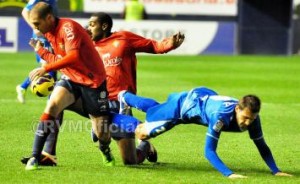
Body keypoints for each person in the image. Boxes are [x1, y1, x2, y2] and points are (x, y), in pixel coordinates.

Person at [118, 87, 293, 178]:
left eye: (252, 119)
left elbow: (262, 146)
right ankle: (123, 99)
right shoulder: (220, 117)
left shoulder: (254, 119)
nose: (248, 123)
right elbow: (209, 151)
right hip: (184, 106)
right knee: (143, 133)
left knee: (157, 110)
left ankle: (126, 98)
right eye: (245, 117)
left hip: (204, 98)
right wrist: (229, 174)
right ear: (237, 109)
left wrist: (275, 170)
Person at [24, 2, 114, 170]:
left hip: (93, 82)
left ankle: (105, 148)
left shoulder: (68, 27)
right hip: (71, 78)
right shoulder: (48, 32)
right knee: (52, 106)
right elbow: (61, 61)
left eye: (37, 23)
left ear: (49, 18)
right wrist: (42, 52)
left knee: (102, 133)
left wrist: (45, 68)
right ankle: (34, 157)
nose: (35, 28)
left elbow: (73, 57)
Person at [87, 12, 185, 164]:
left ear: (104, 26)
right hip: (102, 101)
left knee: (131, 161)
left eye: (92, 25)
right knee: (98, 134)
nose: (89, 28)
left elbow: (152, 45)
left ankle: (145, 145)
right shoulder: (90, 47)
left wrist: (169, 44)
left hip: (123, 101)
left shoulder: (123, 38)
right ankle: (133, 131)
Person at [16, 0, 57, 104]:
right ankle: (50, 102)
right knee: (48, 65)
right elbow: (25, 11)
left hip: (49, 34)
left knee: (52, 67)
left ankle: (23, 86)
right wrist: (35, 28)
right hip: (41, 37)